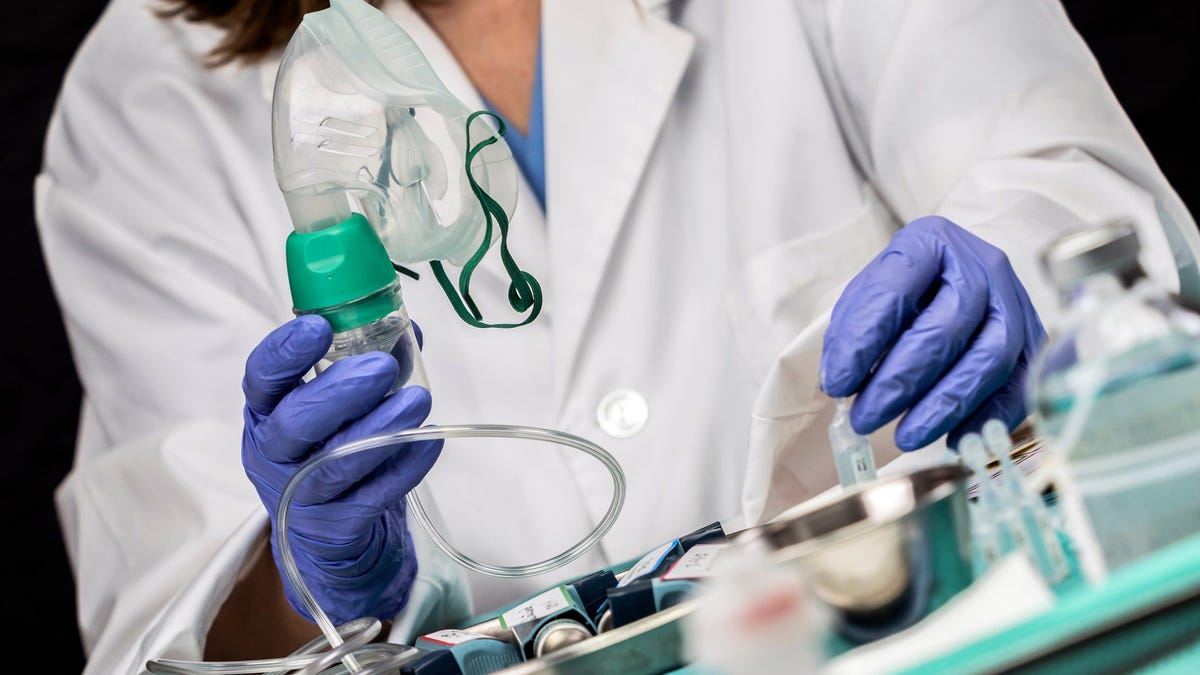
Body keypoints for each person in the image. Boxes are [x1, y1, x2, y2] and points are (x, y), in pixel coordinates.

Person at [35, 0, 1200, 672]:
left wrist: (1034, 281)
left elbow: (1071, 186)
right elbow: (182, 619)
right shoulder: (146, 88)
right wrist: (314, 568)